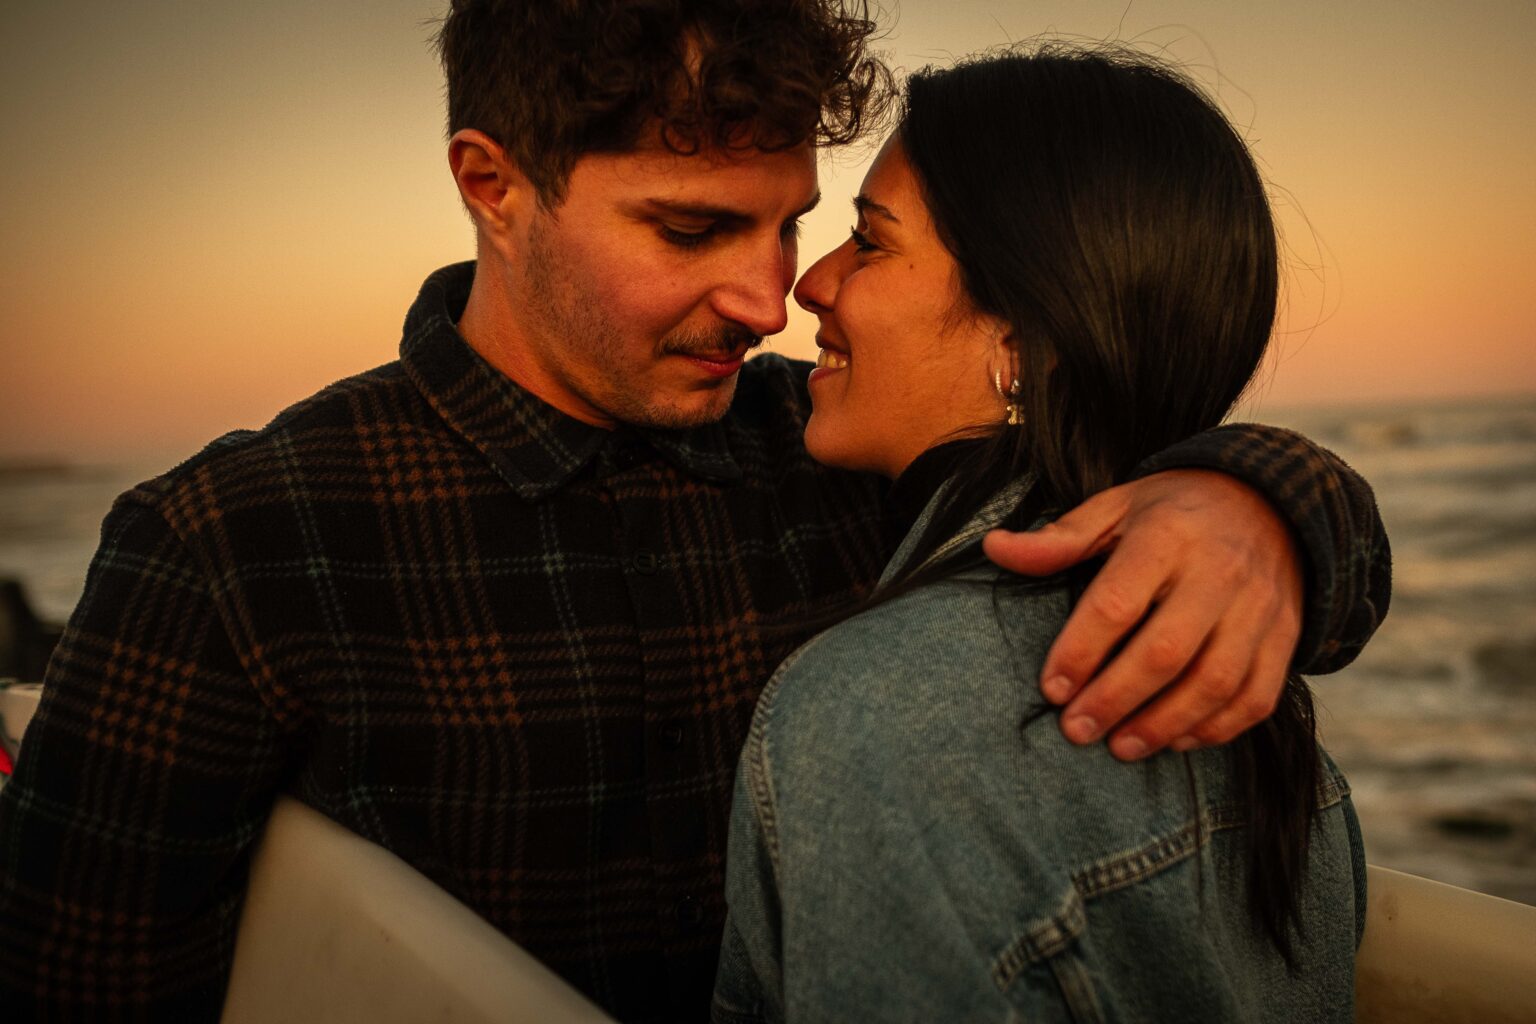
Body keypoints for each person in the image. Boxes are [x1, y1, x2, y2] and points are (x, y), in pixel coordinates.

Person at [0, 4, 1387, 1022]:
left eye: (790, 222)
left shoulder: (834, 450)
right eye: (690, 230)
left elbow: (1084, 436)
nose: (769, 297)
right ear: (493, 185)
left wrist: (1260, 501)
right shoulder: (235, 545)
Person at [713, 45, 1370, 1023]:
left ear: (1019, 339)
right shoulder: (1264, 703)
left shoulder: (869, 713)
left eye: (870, 243)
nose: (808, 285)